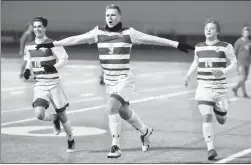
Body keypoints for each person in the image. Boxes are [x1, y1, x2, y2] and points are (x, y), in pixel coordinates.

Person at [35, 4, 194, 158]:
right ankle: (145, 131)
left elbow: (151, 39)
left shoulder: (129, 33)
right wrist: (55, 43)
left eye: (113, 15)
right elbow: (77, 39)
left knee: (111, 107)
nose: (110, 18)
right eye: (107, 15)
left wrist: (177, 44)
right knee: (123, 112)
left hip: (124, 79)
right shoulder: (98, 33)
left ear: (120, 17)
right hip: (110, 81)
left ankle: (115, 145)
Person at [184, 18, 237, 160]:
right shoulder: (199, 47)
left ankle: (220, 111)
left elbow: (234, 64)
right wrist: (188, 75)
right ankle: (211, 149)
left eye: (212, 28)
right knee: (206, 116)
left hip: (220, 88)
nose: (208, 30)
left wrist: (223, 71)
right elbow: (196, 61)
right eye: (206, 28)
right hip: (204, 86)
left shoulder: (226, 46)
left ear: (217, 31)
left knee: (221, 119)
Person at [23, 17, 75, 152]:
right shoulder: (29, 45)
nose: (37, 29)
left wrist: (54, 67)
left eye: (39, 26)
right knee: (39, 114)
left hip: (54, 84)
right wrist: (27, 70)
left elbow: (64, 59)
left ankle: (70, 139)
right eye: (35, 27)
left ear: (45, 28)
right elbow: (29, 59)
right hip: (40, 84)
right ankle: (53, 118)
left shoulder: (53, 43)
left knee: (63, 115)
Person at [232, 26, 251, 98]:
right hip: (240, 62)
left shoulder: (249, 42)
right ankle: (244, 93)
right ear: (242, 33)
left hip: (247, 63)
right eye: (245, 32)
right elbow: (234, 52)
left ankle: (235, 88)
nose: (246, 33)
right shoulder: (238, 42)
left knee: (245, 79)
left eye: (247, 32)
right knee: (242, 78)